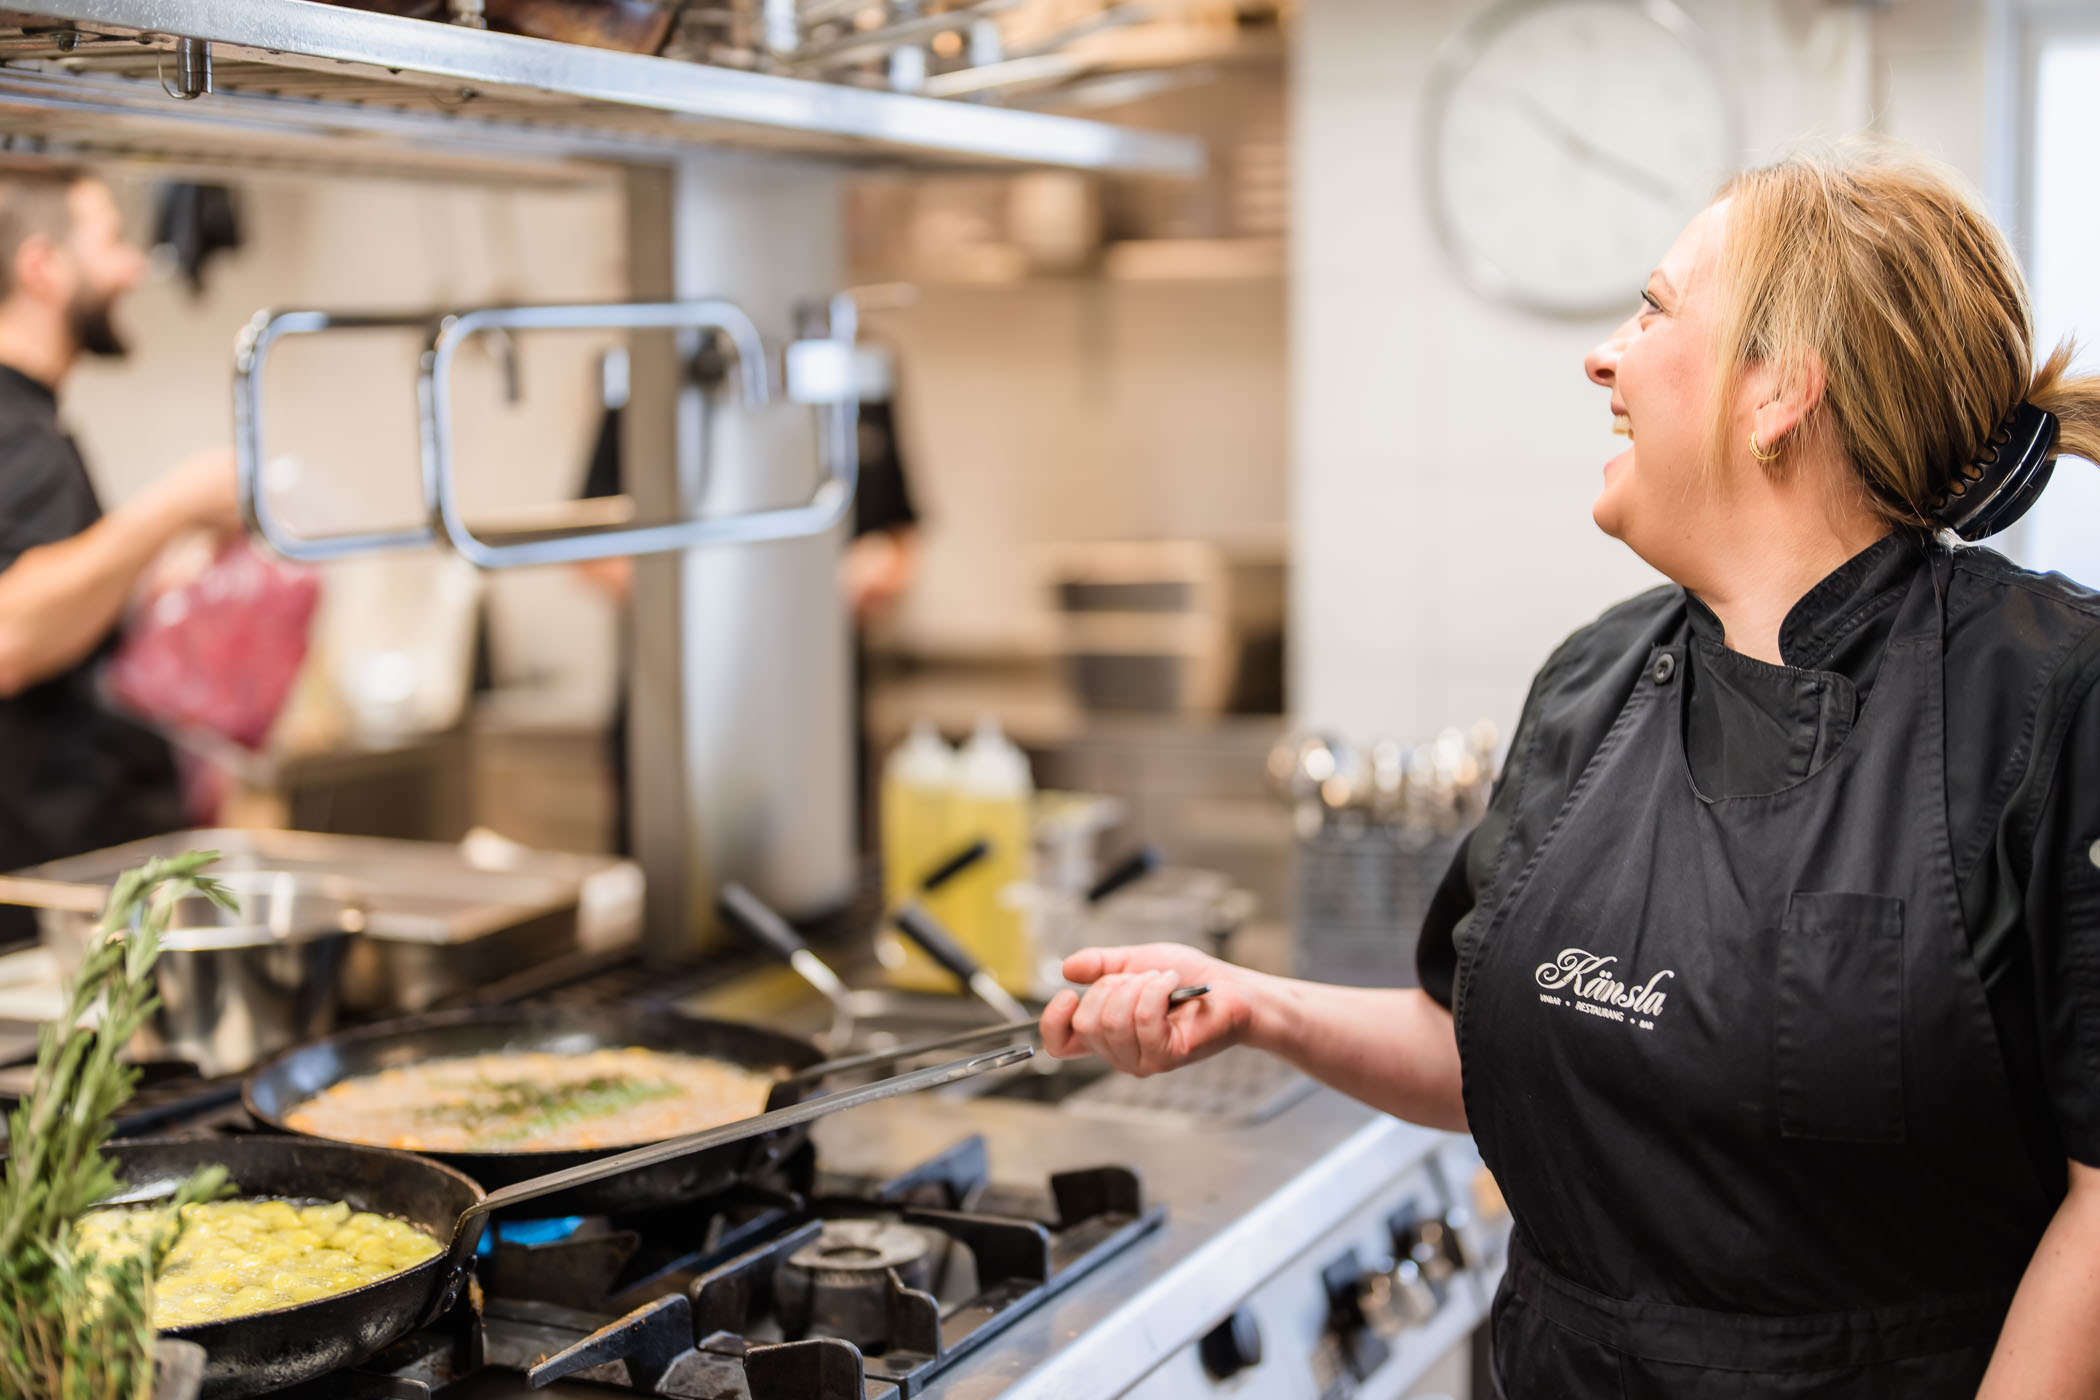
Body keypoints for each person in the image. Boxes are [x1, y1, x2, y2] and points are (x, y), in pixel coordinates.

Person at [1041, 142, 2100, 1398]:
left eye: (1654, 310)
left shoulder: (2049, 699)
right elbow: (1472, 1043)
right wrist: (1254, 1003)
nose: (1604, 354)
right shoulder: (1594, 681)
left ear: (1776, 395)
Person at [0, 164, 239, 932]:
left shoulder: (33, 422)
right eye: (108, 242)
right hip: (43, 895)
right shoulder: (13, 430)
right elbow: (10, 632)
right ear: (42, 267)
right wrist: (174, 504)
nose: (133, 267)